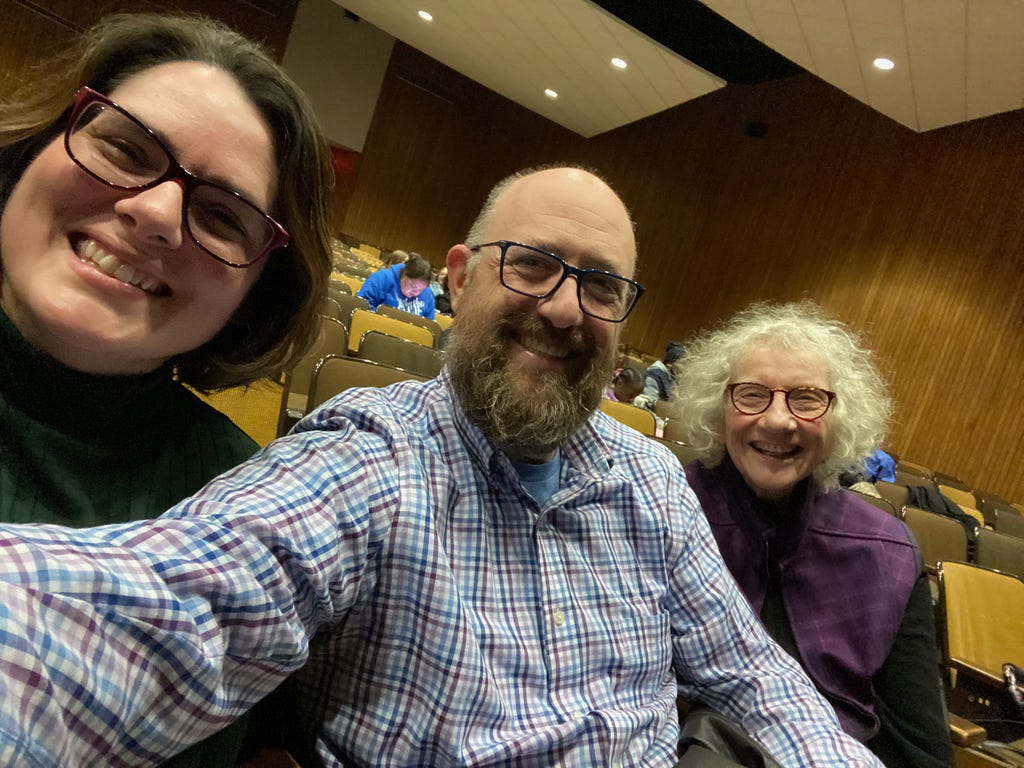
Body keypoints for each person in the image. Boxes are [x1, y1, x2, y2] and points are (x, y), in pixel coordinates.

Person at [0, 167, 881, 767]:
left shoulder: (651, 484)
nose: (567, 309)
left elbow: (753, 675)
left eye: (603, 286)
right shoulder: (377, 458)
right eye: (532, 266)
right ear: (459, 280)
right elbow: (173, 603)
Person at [0, 12, 333, 765]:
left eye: (222, 215)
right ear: (36, 147)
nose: (154, 213)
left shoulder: (259, 506)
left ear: (256, 293)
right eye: (123, 147)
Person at [672, 300, 950, 768]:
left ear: (838, 418)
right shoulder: (667, 507)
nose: (779, 420)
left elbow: (918, 749)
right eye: (752, 394)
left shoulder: (887, 550)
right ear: (719, 407)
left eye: (805, 398)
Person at [357, 251, 436, 318]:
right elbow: (362, 305)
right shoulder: (381, 278)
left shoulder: (428, 294)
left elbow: (428, 323)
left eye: (421, 290)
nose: (416, 292)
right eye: (413, 286)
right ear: (404, 275)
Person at [636, 339, 685, 410]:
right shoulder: (654, 375)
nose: (684, 367)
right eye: (682, 363)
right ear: (669, 363)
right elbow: (650, 404)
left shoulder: (675, 377)